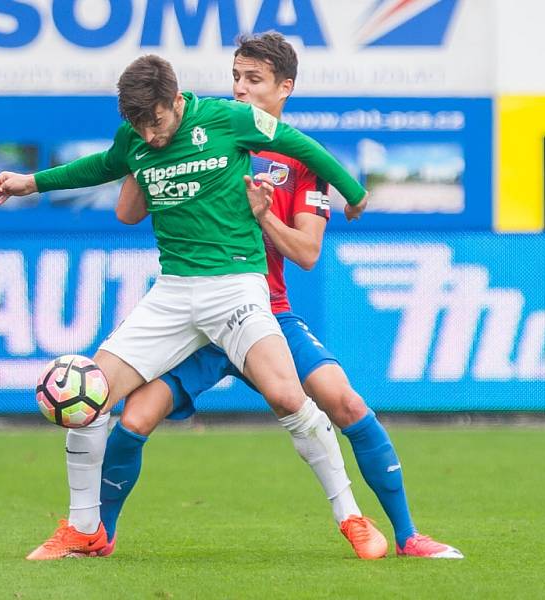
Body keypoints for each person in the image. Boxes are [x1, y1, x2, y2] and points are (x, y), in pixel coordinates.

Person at [0, 53, 370, 560]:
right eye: (138, 125)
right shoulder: (136, 137)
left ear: (175, 100)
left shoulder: (228, 119)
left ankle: (351, 517)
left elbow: (303, 147)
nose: (149, 134)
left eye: (156, 120)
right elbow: (99, 166)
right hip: (172, 292)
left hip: (235, 284)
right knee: (89, 394)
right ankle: (84, 528)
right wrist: (30, 182)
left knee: (287, 396)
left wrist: (355, 194)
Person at [97, 33, 463, 560]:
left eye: (254, 80)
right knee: (132, 420)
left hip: (265, 314)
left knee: (346, 401)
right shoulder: (200, 132)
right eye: (236, 77)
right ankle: (97, 537)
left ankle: (407, 535)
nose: (240, 89)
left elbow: (308, 253)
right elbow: (133, 202)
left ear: (284, 88)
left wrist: (264, 215)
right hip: (198, 321)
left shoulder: (296, 161)